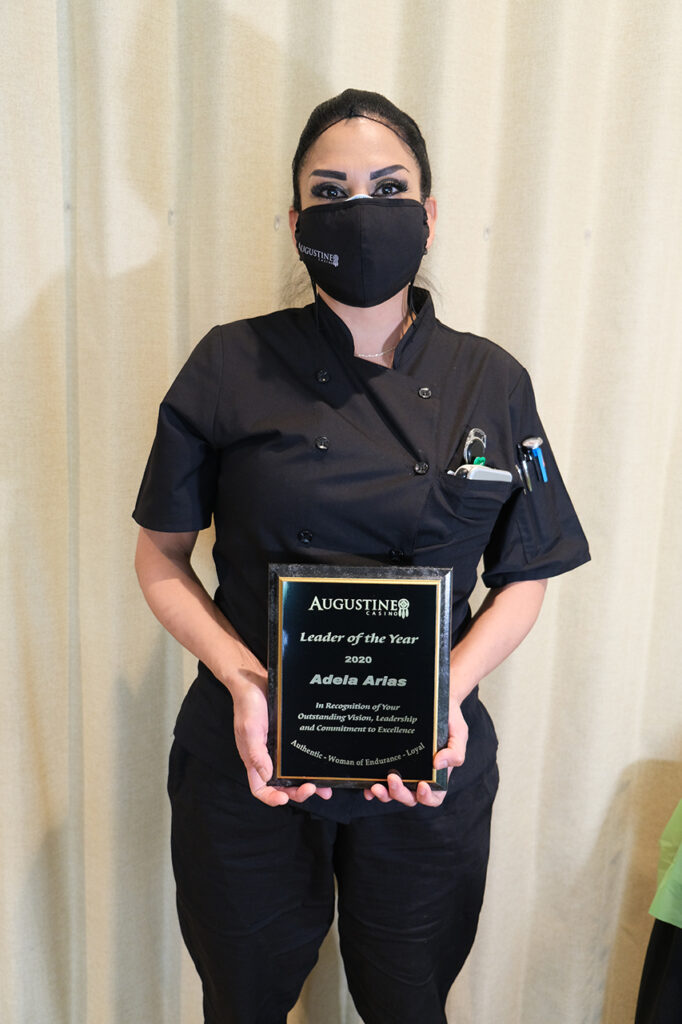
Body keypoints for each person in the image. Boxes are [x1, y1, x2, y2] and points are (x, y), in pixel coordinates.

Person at [133, 88, 590, 1024]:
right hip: (247, 747)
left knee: (408, 999)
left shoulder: (491, 380)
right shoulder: (227, 364)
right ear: (299, 221)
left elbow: (527, 572)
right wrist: (243, 682)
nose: (362, 207)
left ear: (428, 214)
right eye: (331, 190)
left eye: (388, 186)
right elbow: (161, 557)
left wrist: (445, 693)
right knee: (244, 998)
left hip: (430, 761)